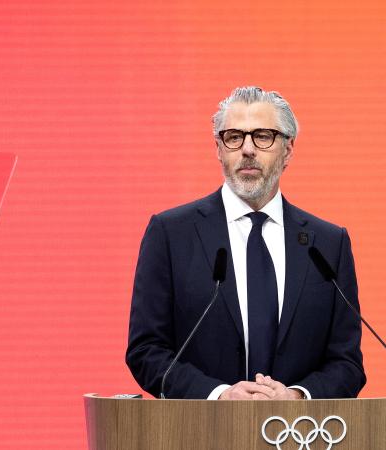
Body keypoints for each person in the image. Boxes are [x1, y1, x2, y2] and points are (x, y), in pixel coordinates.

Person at [126, 86, 365, 400]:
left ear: (288, 149)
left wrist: (297, 396)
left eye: (263, 136)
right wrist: (218, 395)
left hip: (299, 439)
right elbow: (146, 351)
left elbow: (347, 363)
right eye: (234, 137)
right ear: (219, 149)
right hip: (200, 435)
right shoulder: (171, 234)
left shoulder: (328, 244)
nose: (248, 149)